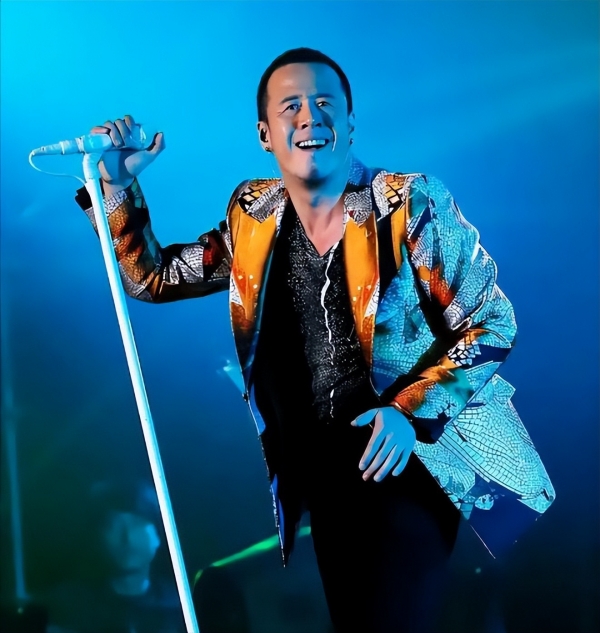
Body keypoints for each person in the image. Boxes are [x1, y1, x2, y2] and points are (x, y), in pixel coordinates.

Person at [72, 48, 555, 632]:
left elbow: (491, 320)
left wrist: (409, 412)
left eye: (326, 103)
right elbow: (154, 278)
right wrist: (116, 186)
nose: (310, 117)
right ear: (265, 134)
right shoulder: (254, 215)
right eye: (292, 106)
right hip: (326, 475)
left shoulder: (406, 204)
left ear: (350, 123)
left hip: (417, 461)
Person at [45, 479, 185, 633]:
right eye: (113, 525)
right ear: (97, 536)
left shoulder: (182, 606)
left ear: (158, 535)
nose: (127, 537)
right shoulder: (69, 607)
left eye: (137, 523)